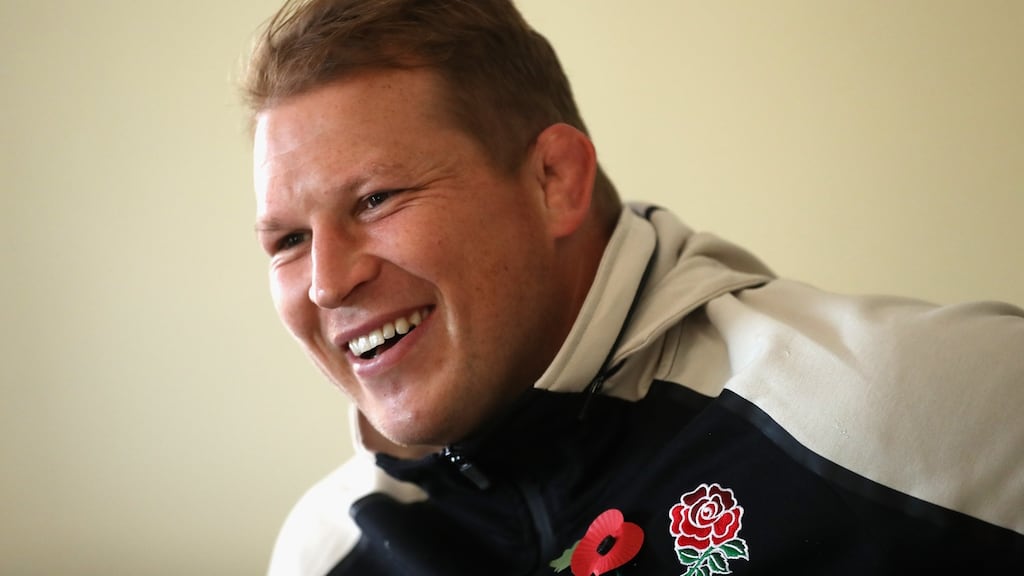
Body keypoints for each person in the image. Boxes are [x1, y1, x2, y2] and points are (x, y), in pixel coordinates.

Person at [243, 1, 1024, 574]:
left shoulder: (900, 411)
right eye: (288, 240)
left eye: (376, 199)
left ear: (555, 180)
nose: (326, 282)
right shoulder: (322, 554)